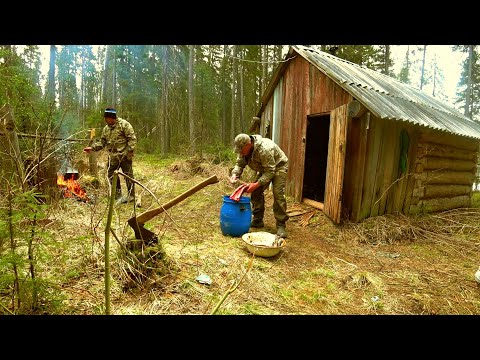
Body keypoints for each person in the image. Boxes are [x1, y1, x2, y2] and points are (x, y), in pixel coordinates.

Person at [229, 133, 289, 238]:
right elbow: (239, 164)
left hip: (279, 166)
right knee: (256, 191)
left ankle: (281, 225)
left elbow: (271, 171)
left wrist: (256, 184)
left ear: (248, 144)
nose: (240, 152)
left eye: (241, 150)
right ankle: (258, 220)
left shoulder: (264, 149)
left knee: (277, 192)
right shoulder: (243, 150)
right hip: (265, 169)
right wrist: (235, 174)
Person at [84, 108, 137, 205]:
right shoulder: (106, 129)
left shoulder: (124, 125)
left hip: (125, 156)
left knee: (128, 176)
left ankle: (131, 195)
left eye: (106, 118)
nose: (105, 120)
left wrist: (128, 152)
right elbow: (102, 142)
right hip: (113, 157)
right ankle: (117, 195)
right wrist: (92, 148)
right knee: (111, 175)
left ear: (112, 117)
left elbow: (132, 140)